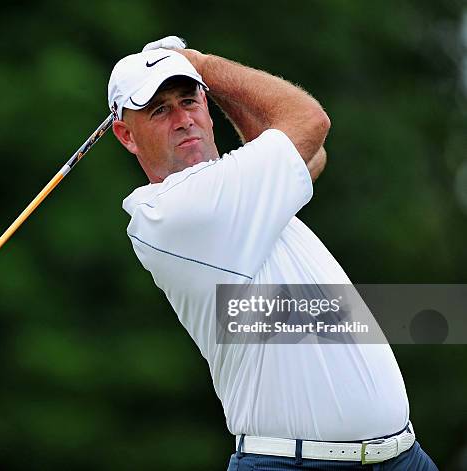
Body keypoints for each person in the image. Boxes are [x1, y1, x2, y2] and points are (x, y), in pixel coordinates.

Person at [108, 36, 438, 470]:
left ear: (207, 109)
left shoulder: (241, 191)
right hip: (291, 463)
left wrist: (205, 82)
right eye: (159, 110)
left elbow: (309, 157)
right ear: (126, 135)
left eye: (189, 100)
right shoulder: (171, 212)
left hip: (403, 457)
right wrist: (201, 64)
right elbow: (309, 121)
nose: (183, 119)